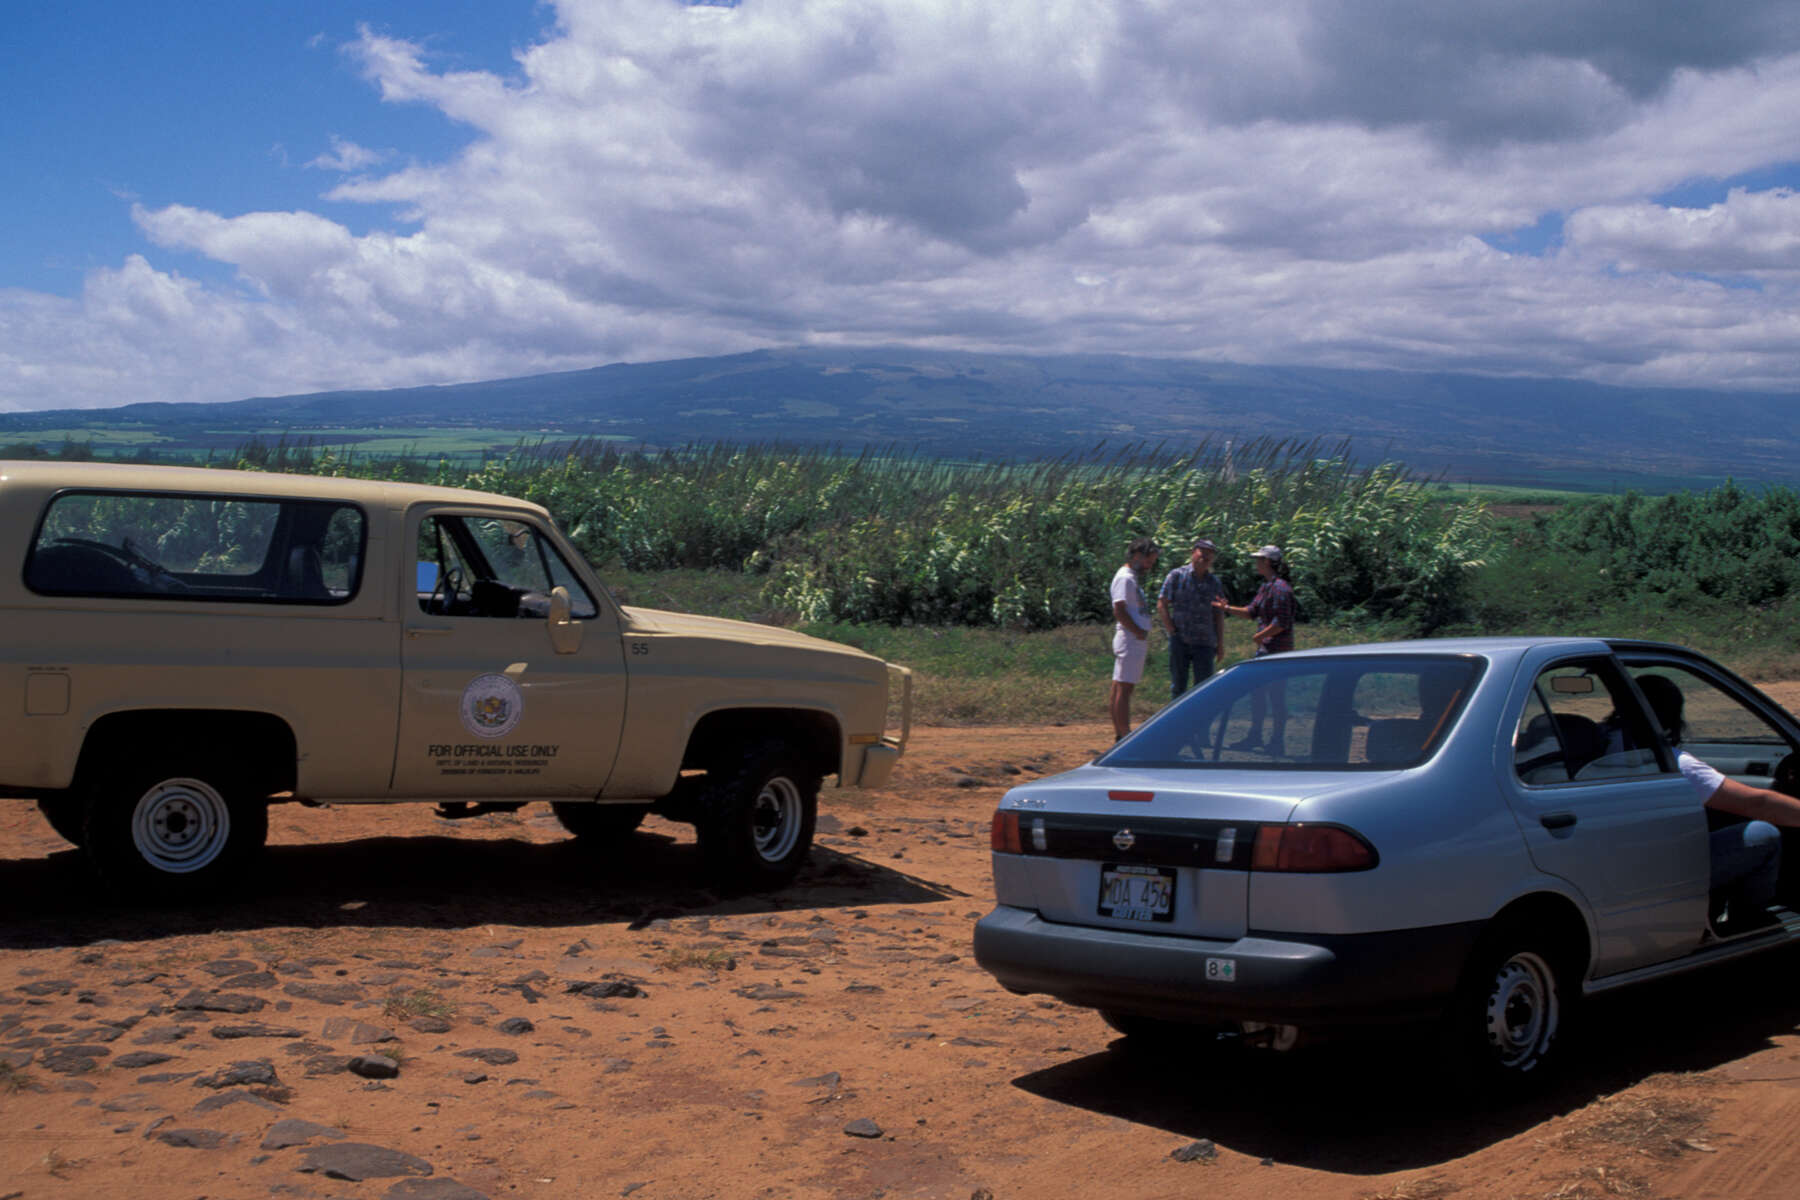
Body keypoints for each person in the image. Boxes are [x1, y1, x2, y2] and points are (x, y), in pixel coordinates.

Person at [1638, 674, 1800, 932]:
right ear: (1671, 718)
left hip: (1627, 863)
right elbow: (1756, 804)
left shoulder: (1602, 746)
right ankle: (1748, 925)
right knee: (1763, 833)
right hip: (1660, 871)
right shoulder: (1672, 764)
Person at [1215, 545, 1295, 752]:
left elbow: (1282, 622)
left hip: (1278, 652)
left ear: (1267, 562)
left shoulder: (1281, 588)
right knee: (1258, 694)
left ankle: (1277, 741)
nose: (1256, 563)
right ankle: (1256, 736)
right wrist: (1227, 608)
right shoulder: (1267, 587)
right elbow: (1252, 612)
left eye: (1259, 559)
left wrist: (1260, 635)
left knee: (1276, 697)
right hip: (1266, 650)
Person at [1157, 537, 1228, 700]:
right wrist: (1171, 630)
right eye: (1202, 552)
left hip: (1205, 643)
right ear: (1193, 553)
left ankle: (1199, 725)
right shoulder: (1176, 576)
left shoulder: (1214, 583)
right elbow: (1162, 603)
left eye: (1210, 555)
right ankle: (1176, 724)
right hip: (1180, 640)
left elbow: (1218, 614)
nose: (1205, 557)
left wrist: (1220, 643)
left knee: (1203, 690)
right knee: (1178, 687)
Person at [1109, 537, 1160, 740]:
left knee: (1120, 686)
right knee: (1125, 688)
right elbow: (1119, 610)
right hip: (1130, 639)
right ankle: (1123, 734)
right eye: (1148, 561)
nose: (1149, 566)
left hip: (1132, 638)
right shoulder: (1125, 578)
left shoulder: (1130, 577)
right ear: (1138, 555)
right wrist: (1138, 631)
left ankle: (1120, 733)